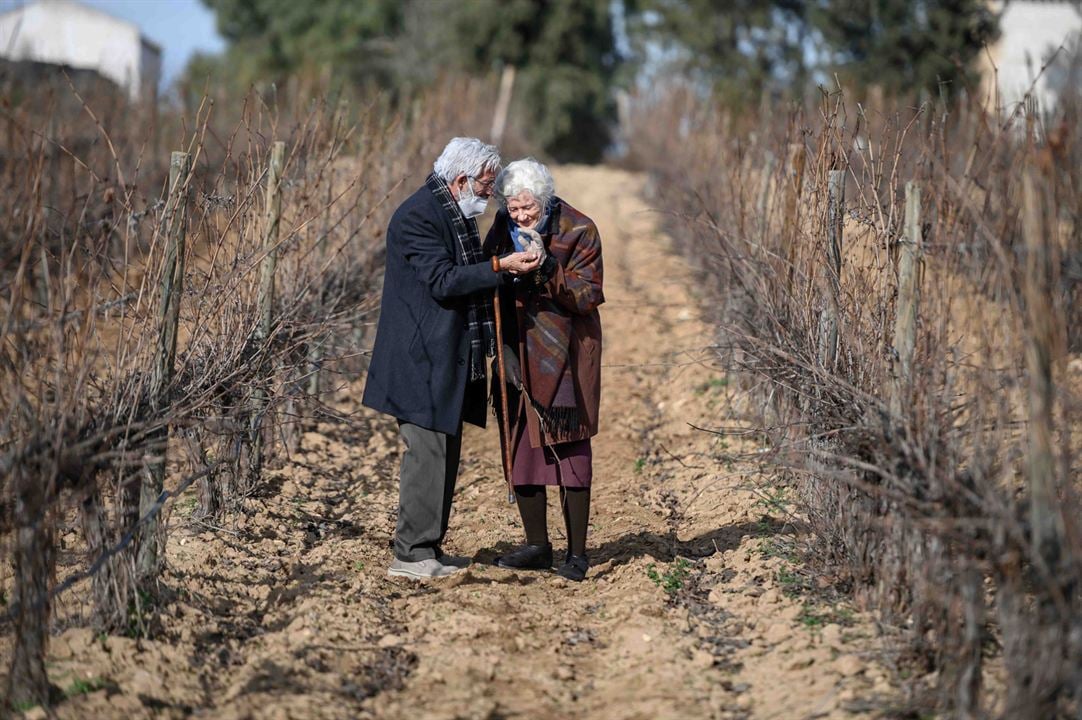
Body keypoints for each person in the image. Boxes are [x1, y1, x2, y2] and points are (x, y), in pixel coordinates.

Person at [363, 138, 542, 579]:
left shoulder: (452, 211)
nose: (488, 195)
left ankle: (428, 549)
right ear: (461, 179)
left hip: (444, 360)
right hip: (418, 361)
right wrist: (500, 267)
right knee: (426, 456)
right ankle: (410, 556)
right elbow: (443, 281)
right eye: (484, 185)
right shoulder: (418, 217)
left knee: (443, 453)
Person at [483, 158, 604, 582]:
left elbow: (588, 296)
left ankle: (577, 554)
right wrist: (503, 351)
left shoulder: (580, 229)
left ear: (545, 199)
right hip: (516, 348)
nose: (519, 216)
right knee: (522, 445)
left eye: (527, 208)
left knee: (569, 446)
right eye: (513, 208)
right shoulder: (502, 227)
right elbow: (489, 282)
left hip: (565, 353)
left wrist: (549, 268)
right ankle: (536, 545)